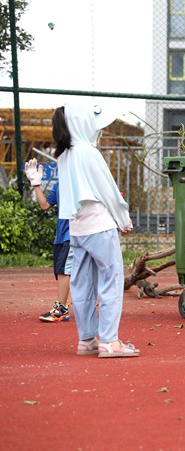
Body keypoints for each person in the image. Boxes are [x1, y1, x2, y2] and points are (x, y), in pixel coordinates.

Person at [54, 103, 138, 357]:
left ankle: (87, 339)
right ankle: (110, 342)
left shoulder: (64, 155)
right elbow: (108, 191)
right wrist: (123, 219)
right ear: (81, 122)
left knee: (82, 285)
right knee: (111, 281)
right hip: (100, 226)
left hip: (77, 229)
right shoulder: (88, 152)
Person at [24, 161, 72, 323]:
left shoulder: (79, 183)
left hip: (74, 234)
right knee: (61, 271)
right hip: (61, 235)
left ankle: (61, 309)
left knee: (64, 270)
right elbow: (44, 205)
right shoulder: (60, 185)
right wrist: (36, 184)